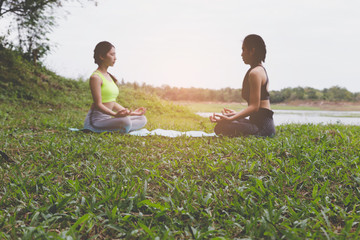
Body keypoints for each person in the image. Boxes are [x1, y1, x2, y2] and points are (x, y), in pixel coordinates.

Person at [210, 34, 275, 137]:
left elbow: (254, 107)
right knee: (226, 122)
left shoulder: (255, 73)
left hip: (262, 128)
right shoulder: (258, 70)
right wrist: (235, 114)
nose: (241, 54)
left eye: (243, 50)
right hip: (258, 122)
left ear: (252, 51)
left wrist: (231, 118)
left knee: (221, 127)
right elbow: (256, 109)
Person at [83, 41, 147, 133]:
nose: (115, 58)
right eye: (112, 54)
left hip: (107, 119)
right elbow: (98, 104)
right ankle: (121, 127)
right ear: (102, 56)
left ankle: (120, 127)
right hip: (95, 122)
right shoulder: (95, 78)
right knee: (125, 121)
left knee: (142, 119)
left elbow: (112, 103)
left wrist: (131, 113)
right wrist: (115, 115)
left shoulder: (109, 76)